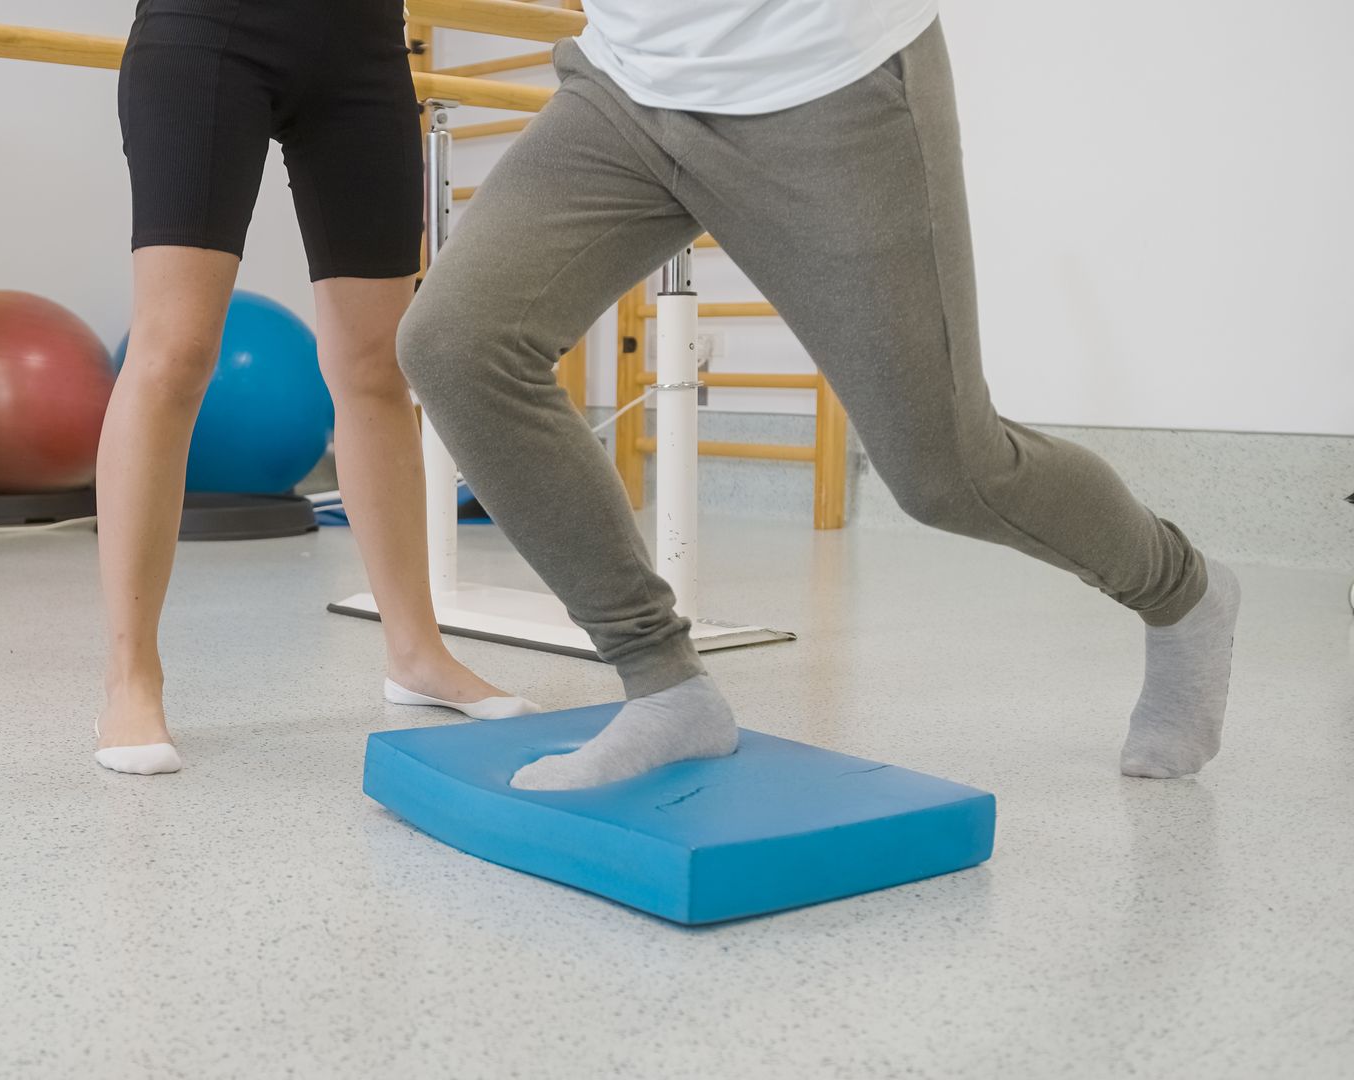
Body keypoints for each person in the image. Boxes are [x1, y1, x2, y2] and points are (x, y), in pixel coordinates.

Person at [397, 3, 1239, 790]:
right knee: (457, 344)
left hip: (825, 79)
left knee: (948, 471)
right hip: (629, 80)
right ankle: (663, 685)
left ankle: (1180, 592)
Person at [97, 0, 534, 776]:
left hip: (359, 43)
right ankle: (131, 675)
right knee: (175, 351)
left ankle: (415, 651)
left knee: (376, 364)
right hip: (206, 29)